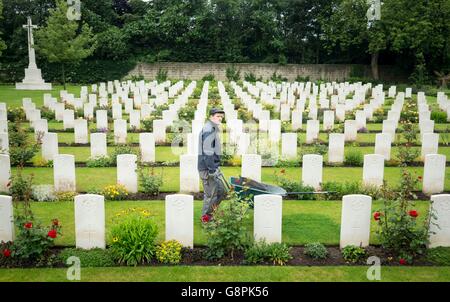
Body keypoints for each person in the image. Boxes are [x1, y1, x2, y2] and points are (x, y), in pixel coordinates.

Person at [198, 108, 227, 223]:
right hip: (208, 168)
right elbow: (207, 152)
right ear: (211, 116)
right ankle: (206, 218)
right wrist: (211, 170)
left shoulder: (212, 128)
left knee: (222, 192)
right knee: (211, 195)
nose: (220, 118)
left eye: (221, 117)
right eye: (218, 116)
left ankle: (211, 214)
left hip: (213, 167)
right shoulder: (208, 129)